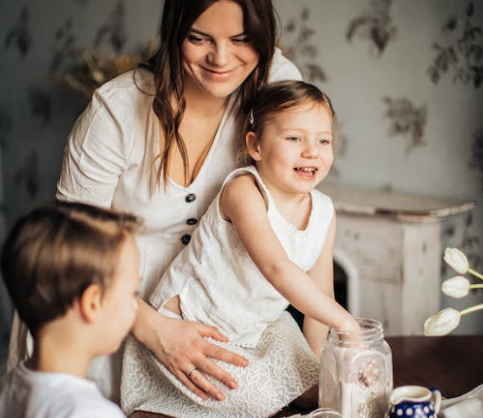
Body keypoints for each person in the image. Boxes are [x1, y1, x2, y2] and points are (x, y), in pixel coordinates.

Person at [6, 0, 302, 403]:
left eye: (241, 40)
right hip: (96, 317)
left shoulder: (275, 86)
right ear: (175, 32)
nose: (221, 58)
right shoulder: (116, 111)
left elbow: (298, 201)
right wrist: (154, 328)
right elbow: (68, 255)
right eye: (199, 38)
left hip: (201, 317)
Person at [121, 80, 360, 418]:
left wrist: (318, 369)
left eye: (324, 140)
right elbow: (277, 268)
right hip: (192, 326)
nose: (312, 151)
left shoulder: (323, 211)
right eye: (294, 138)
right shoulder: (244, 190)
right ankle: (162, 409)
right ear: (256, 145)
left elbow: (320, 295)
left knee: (321, 393)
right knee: (258, 402)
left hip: (255, 329)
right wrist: (348, 325)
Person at [0, 201, 142, 418]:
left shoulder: (10, 387)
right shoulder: (92, 413)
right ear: (93, 303)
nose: (135, 306)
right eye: (133, 293)